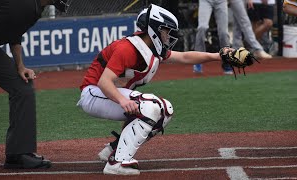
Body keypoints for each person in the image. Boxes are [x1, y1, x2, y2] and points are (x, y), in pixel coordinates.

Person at [77, 4, 235, 175]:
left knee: (165, 110)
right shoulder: (127, 48)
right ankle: (117, 163)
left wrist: (219, 55)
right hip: (93, 94)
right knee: (150, 106)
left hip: (108, 94)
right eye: (166, 31)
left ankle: (114, 150)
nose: (168, 36)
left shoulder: (151, 48)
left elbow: (184, 56)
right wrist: (124, 101)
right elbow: (104, 82)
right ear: (154, 29)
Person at [0, 0, 71, 169]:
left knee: (22, 88)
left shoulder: (35, 8)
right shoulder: (23, 4)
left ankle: (18, 153)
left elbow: (14, 33)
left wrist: (20, 66)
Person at [193, 0, 233, 74]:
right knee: (202, 27)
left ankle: (226, 59)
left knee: (223, 32)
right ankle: (197, 60)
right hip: (205, 1)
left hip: (221, 1)